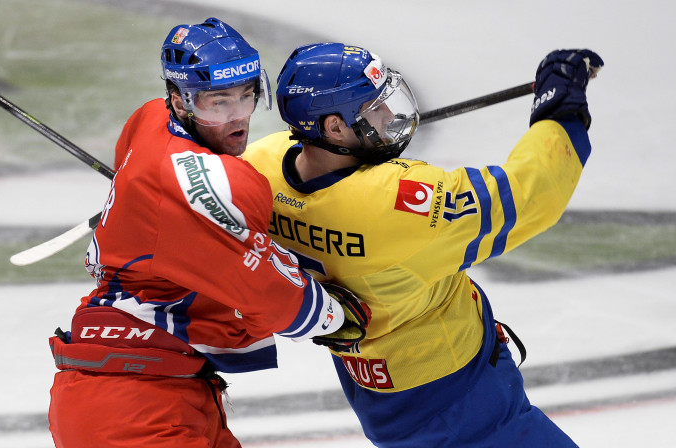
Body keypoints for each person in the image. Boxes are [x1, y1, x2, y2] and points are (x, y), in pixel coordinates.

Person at [243, 42, 603, 447]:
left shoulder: (259, 167)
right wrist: (560, 112)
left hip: (376, 389)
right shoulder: (393, 204)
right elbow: (530, 195)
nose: (389, 115)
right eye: (372, 109)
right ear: (334, 128)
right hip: (458, 401)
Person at [47, 21, 368, 448]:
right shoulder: (220, 184)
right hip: (134, 407)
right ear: (179, 101)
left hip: (149, 388)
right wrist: (332, 316)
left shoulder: (149, 118)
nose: (237, 117)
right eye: (217, 103)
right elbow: (268, 292)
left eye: (246, 96)